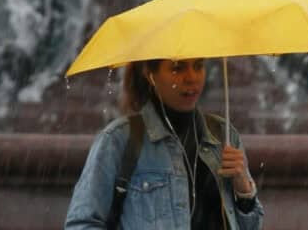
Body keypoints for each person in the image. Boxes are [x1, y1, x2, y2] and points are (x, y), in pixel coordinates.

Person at [65, 58, 264, 229]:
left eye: (198, 66)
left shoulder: (223, 136)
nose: (192, 77)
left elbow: (252, 226)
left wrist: (244, 192)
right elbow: (82, 222)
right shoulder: (119, 140)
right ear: (150, 74)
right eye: (178, 68)